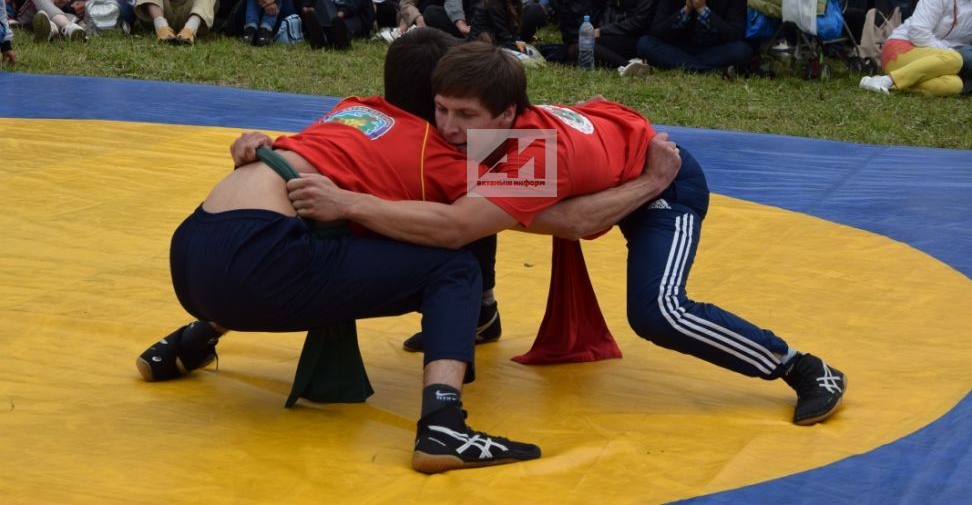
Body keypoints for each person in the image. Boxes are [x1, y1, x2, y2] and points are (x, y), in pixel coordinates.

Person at [136, 29, 683, 472]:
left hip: (192, 252)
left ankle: (189, 341)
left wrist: (268, 151)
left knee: (348, 227)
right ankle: (443, 426)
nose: (454, 126)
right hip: (259, 266)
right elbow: (565, 222)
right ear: (437, 100)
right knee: (453, 262)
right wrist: (649, 183)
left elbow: (317, 177)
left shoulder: (353, 109)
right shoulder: (438, 154)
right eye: (450, 109)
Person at [289, 43, 848, 429]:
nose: (449, 127)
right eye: (440, 109)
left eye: (465, 114)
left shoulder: (537, 156)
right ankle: (481, 315)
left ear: (508, 114)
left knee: (658, 311)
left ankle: (802, 366)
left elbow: (580, 224)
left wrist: (655, 178)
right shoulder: (491, 136)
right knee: (470, 201)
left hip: (664, 182)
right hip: (608, 159)